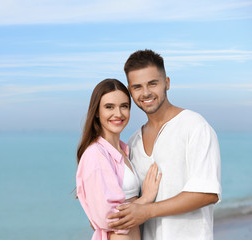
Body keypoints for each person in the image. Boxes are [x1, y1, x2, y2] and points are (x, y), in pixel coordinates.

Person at [107, 49, 222, 240]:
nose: (146, 93)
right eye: (137, 87)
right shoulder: (133, 142)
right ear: (130, 91)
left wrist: (147, 211)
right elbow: (130, 200)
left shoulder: (194, 126)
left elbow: (207, 193)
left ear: (166, 83)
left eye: (153, 83)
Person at [76, 78, 162, 240]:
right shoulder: (95, 154)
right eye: (109, 107)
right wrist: (146, 199)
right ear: (96, 112)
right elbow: (107, 218)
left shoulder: (124, 151)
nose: (118, 114)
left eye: (124, 106)